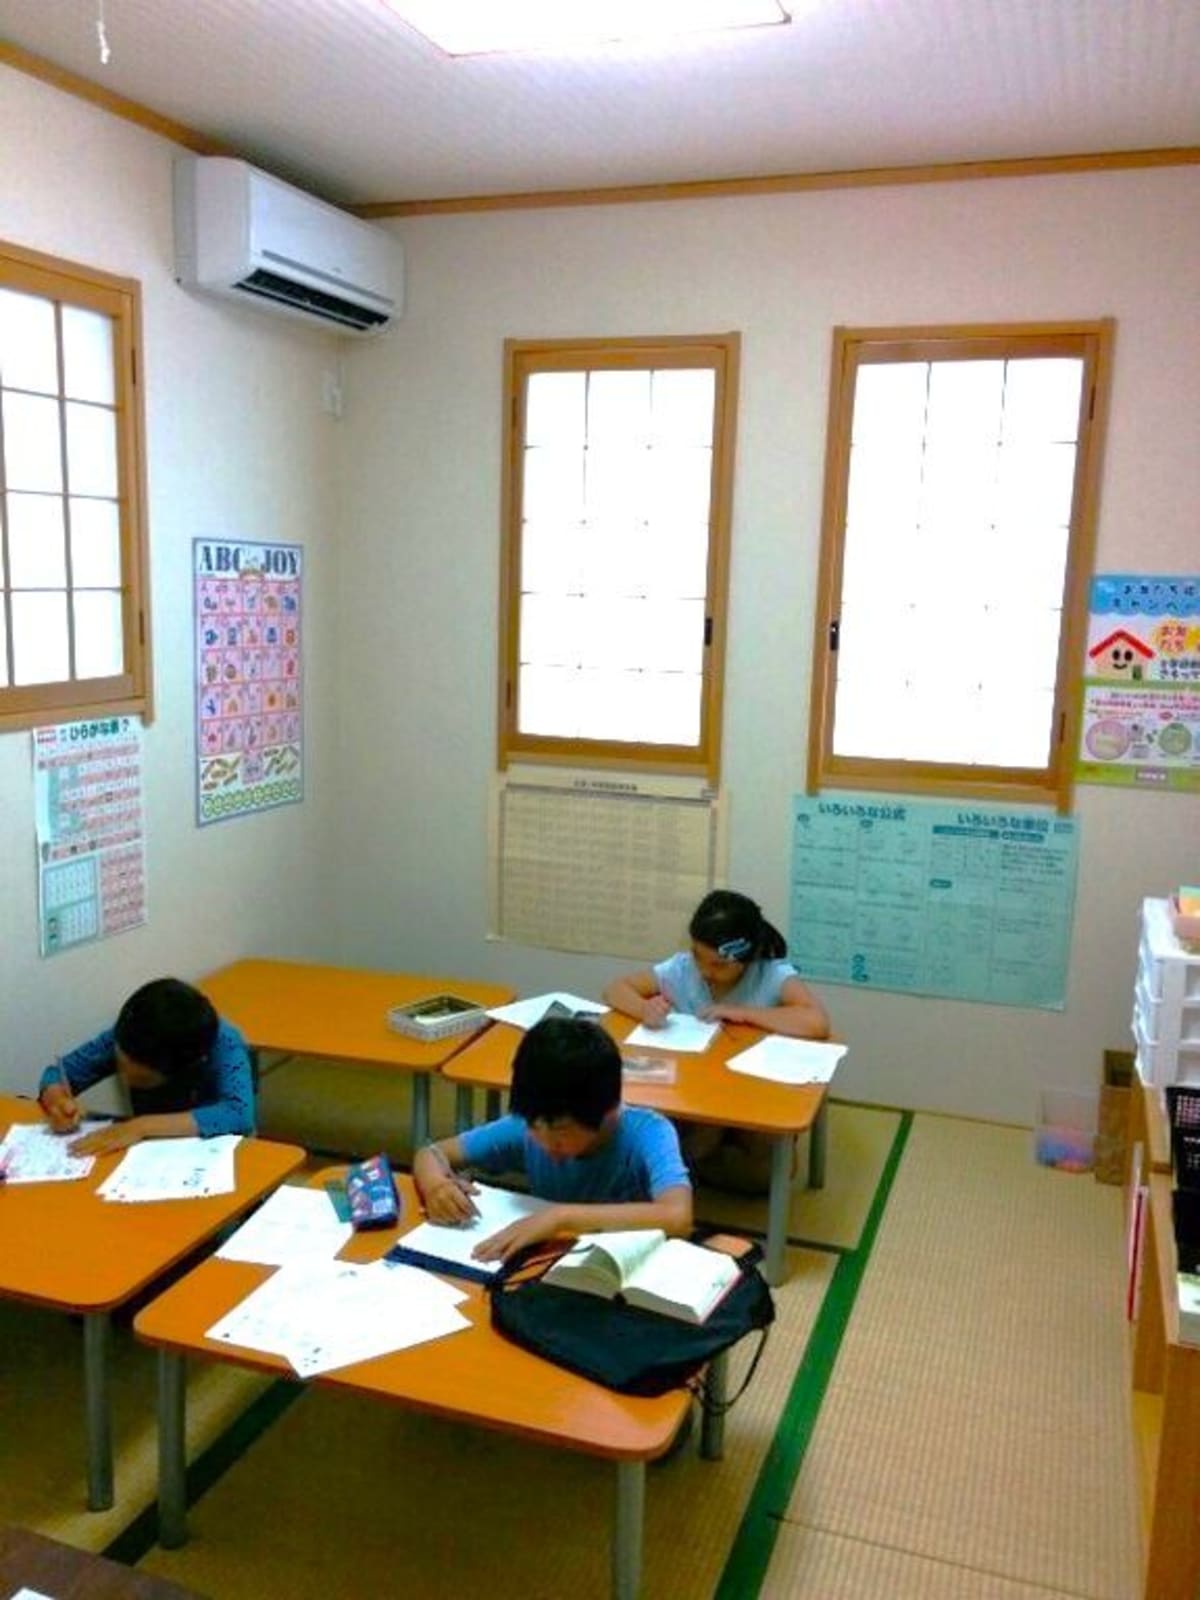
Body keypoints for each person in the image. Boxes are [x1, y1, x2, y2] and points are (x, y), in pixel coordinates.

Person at [412, 1015, 692, 1263]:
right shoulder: (533, 1123)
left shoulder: (649, 1132)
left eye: (561, 1132)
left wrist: (561, 1217)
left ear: (606, 1112)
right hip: (546, 1260)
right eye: (534, 1126)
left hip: (621, 1266)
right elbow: (431, 1154)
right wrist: (436, 1185)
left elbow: (678, 1217)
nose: (545, 1143)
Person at [602, 889, 830, 1194]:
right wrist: (645, 1009)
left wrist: (744, 1013)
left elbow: (817, 1022)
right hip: (692, 1089)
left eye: (719, 965)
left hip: (750, 1093)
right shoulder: (682, 969)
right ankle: (695, 1160)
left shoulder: (771, 975)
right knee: (686, 1134)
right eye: (698, 957)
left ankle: (691, 1165)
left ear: (746, 958)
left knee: (767, 1174)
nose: (705, 971)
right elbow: (616, 989)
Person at [37, 977, 255, 1156]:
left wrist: (140, 1127)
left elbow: (238, 1114)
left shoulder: (225, 1043)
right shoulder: (127, 1035)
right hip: (148, 1153)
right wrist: (57, 1099)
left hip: (216, 1152)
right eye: (121, 1063)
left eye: (142, 1080)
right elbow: (57, 1073)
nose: (125, 1076)